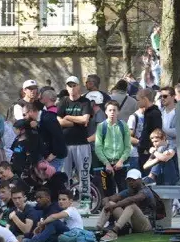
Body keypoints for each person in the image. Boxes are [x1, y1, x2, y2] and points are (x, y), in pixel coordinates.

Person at [57, 76, 93, 214]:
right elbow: (58, 121)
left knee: (83, 174)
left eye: (74, 85)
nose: (72, 88)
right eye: (69, 85)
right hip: (65, 145)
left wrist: (67, 117)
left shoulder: (85, 102)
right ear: (66, 87)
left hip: (82, 144)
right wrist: (76, 122)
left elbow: (85, 119)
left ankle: (85, 204)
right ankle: (65, 203)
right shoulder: (63, 102)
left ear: (79, 87)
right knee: (65, 176)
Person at [96, 169, 158, 242]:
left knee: (131, 205)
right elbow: (107, 198)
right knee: (111, 203)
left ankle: (114, 232)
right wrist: (107, 204)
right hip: (132, 223)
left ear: (140, 180)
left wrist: (113, 206)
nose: (131, 182)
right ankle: (98, 229)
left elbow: (131, 199)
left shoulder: (146, 191)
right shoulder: (129, 190)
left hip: (146, 225)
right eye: (129, 180)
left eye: (133, 180)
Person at [94, 101, 131, 196]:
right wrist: (106, 163)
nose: (112, 112)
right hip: (106, 165)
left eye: (114, 110)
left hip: (120, 164)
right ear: (106, 111)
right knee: (108, 192)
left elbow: (127, 146)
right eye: (110, 110)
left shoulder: (123, 125)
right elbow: (98, 147)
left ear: (118, 112)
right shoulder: (101, 126)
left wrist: (121, 161)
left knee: (123, 191)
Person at [22, 99, 66, 171]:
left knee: (52, 178)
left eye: (24, 114)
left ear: (31, 112)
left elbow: (58, 136)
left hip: (56, 155)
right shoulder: (39, 119)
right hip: (47, 154)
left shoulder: (47, 118)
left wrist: (54, 154)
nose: (24, 117)